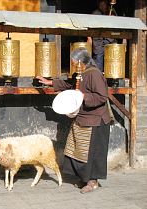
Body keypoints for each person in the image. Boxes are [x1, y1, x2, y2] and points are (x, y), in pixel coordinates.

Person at [37, 48, 111, 194]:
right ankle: (83, 177)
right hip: (82, 118)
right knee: (76, 150)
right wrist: (50, 82)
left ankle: (92, 181)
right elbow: (70, 86)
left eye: (73, 63)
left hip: (96, 120)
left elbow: (102, 97)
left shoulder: (94, 74)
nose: (72, 66)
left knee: (92, 152)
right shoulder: (80, 74)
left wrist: (84, 96)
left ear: (79, 61)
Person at [87, 0, 116, 71]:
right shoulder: (95, 13)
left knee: (112, 60)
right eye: (101, 5)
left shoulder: (111, 11)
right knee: (98, 60)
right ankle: (98, 76)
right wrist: (89, 37)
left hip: (109, 40)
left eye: (104, 5)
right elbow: (89, 26)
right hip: (98, 41)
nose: (103, 6)